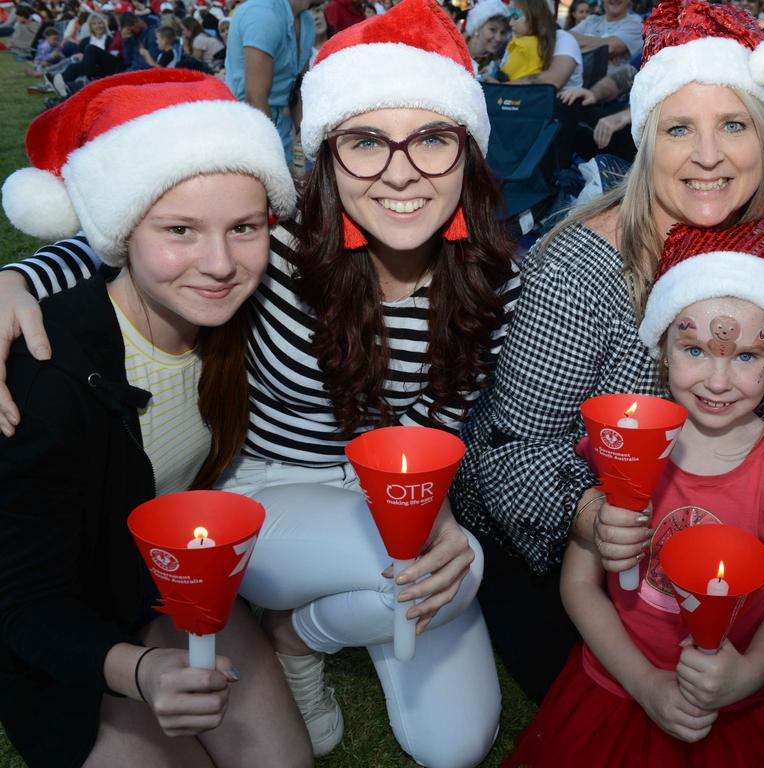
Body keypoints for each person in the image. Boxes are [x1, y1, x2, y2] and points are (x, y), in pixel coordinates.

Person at [0, 1, 518, 763]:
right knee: (431, 562)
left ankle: (305, 632)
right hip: (266, 491)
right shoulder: (270, 249)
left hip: (388, 495)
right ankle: (302, 626)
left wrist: (429, 512)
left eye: (433, 139)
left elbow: (440, 424)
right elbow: (133, 244)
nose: (401, 171)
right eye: (367, 142)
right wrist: (14, 278)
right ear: (327, 155)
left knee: (456, 735)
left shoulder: (496, 283)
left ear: (467, 152)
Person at [451, 0, 764, 703]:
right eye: (679, 129)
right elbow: (508, 451)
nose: (709, 156)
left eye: (733, 125)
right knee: (607, 677)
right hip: (558, 544)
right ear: (644, 137)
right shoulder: (580, 270)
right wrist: (592, 516)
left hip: (707, 529)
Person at [0, 69, 310, 768]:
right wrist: (139, 673)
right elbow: (23, 602)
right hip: (71, 630)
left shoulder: (245, 323)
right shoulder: (47, 369)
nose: (220, 263)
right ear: (119, 231)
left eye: (244, 228)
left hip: (175, 588)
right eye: (179, 230)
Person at [507, 217, 764, 767]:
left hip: (739, 699)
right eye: (695, 350)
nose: (718, 381)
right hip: (621, 684)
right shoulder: (624, 447)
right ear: (664, 349)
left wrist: (744, 675)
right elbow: (581, 586)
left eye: (746, 357)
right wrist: (646, 683)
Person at [224, 0, 315, 159]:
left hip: (280, 135)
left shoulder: (307, 21)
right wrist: (275, 156)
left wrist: (304, 139)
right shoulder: (263, 14)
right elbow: (255, 97)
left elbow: (298, 87)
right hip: (248, 137)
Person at [570, 0, 642, 74]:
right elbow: (566, 38)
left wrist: (577, 46)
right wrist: (603, 51)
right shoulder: (591, 20)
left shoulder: (636, 22)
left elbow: (611, 47)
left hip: (608, 83)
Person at [498, 0, 549, 81]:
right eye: (510, 17)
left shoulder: (524, 45)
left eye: (515, 16)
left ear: (533, 16)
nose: (511, 23)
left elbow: (505, 73)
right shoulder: (541, 42)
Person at [464, 0, 510, 78]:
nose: (498, 38)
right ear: (478, 27)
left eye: (503, 33)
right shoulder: (455, 46)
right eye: (493, 30)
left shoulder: (499, 64)